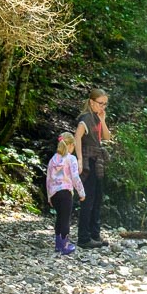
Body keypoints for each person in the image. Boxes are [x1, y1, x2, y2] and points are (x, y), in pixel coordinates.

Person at [74, 88, 112, 249]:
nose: (102, 107)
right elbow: (77, 137)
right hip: (89, 162)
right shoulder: (85, 119)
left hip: (98, 162)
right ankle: (83, 238)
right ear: (91, 102)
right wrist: (80, 160)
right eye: (100, 103)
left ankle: (94, 234)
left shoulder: (97, 118)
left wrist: (103, 120)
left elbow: (106, 137)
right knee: (87, 200)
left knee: (97, 199)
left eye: (105, 104)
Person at [46, 132, 85, 255]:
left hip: (55, 194)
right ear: (70, 145)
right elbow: (75, 177)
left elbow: (48, 178)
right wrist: (81, 192)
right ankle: (65, 245)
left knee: (59, 217)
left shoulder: (53, 159)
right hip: (66, 193)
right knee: (65, 219)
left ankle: (58, 244)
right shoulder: (71, 159)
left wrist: (49, 196)